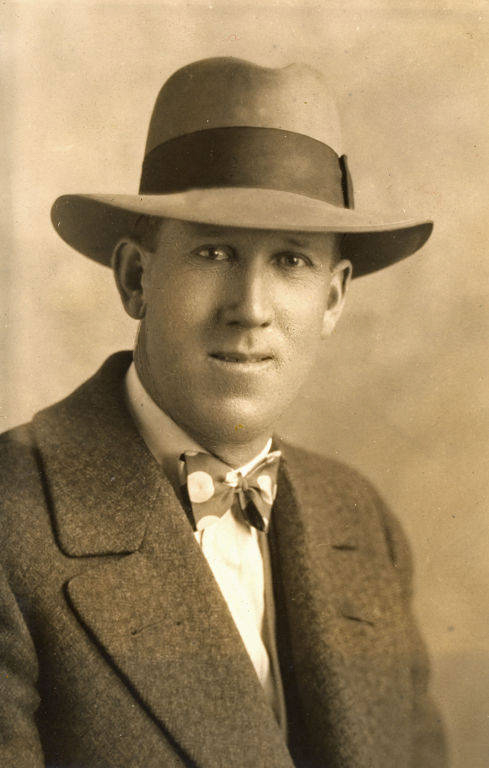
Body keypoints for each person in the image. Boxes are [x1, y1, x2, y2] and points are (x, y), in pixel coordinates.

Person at [0, 57, 446, 768]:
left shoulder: (359, 520)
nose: (250, 309)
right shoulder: (11, 522)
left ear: (332, 300)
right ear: (136, 277)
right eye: (213, 251)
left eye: (291, 262)